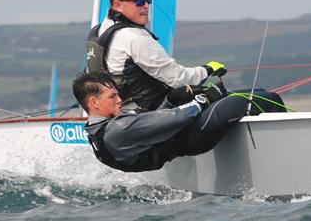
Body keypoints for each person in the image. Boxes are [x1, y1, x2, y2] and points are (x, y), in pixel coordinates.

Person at [73, 71, 285, 173]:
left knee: (258, 94)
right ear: (94, 102)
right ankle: (285, 159)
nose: (119, 100)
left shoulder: (99, 130)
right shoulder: (118, 127)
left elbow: (155, 122)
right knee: (268, 98)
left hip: (188, 133)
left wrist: (172, 99)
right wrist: (205, 99)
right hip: (197, 133)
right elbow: (179, 117)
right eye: (112, 96)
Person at [86, 0, 226, 111]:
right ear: (117, 5)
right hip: (148, 114)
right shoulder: (133, 37)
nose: (146, 6)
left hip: (121, 113)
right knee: (228, 99)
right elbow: (178, 78)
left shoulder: (101, 29)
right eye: (139, 2)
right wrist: (207, 70)